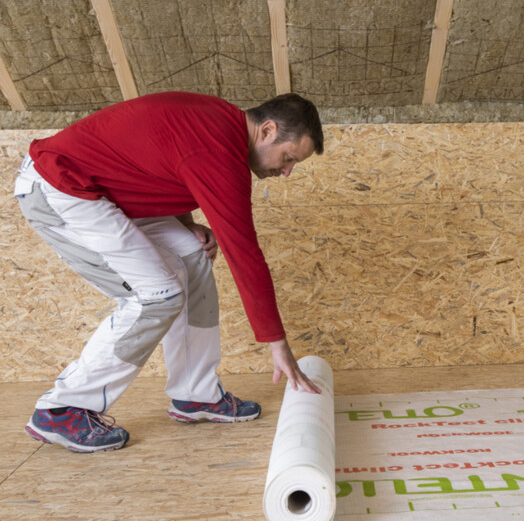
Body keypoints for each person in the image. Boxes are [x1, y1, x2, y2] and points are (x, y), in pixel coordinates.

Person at [14, 91, 324, 453]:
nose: (285, 171)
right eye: (288, 158)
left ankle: (196, 394)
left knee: (193, 253)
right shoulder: (220, 151)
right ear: (267, 130)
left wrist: (185, 223)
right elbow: (245, 254)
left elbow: (156, 165)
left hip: (102, 192)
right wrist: (278, 345)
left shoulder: (222, 127)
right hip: (62, 187)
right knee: (156, 295)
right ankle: (63, 408)